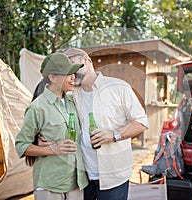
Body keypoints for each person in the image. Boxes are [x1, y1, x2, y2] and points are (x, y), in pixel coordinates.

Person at [59, 47, 149, 200]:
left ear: (86, 60)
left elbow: (141, 122)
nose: (71, 73)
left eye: (73, 66)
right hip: (83, 175)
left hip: (113, 175)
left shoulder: (118, 87)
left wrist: (114, 135)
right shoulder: (70, 95)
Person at [15, 52, 88, 200]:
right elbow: (21, 145)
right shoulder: (37, 108)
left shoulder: (72, 101)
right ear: (52, 77)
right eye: (68, 73)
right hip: (50, 184)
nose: (73, 76)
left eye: (73, 72)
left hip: (76, 182)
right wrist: (51, 149)